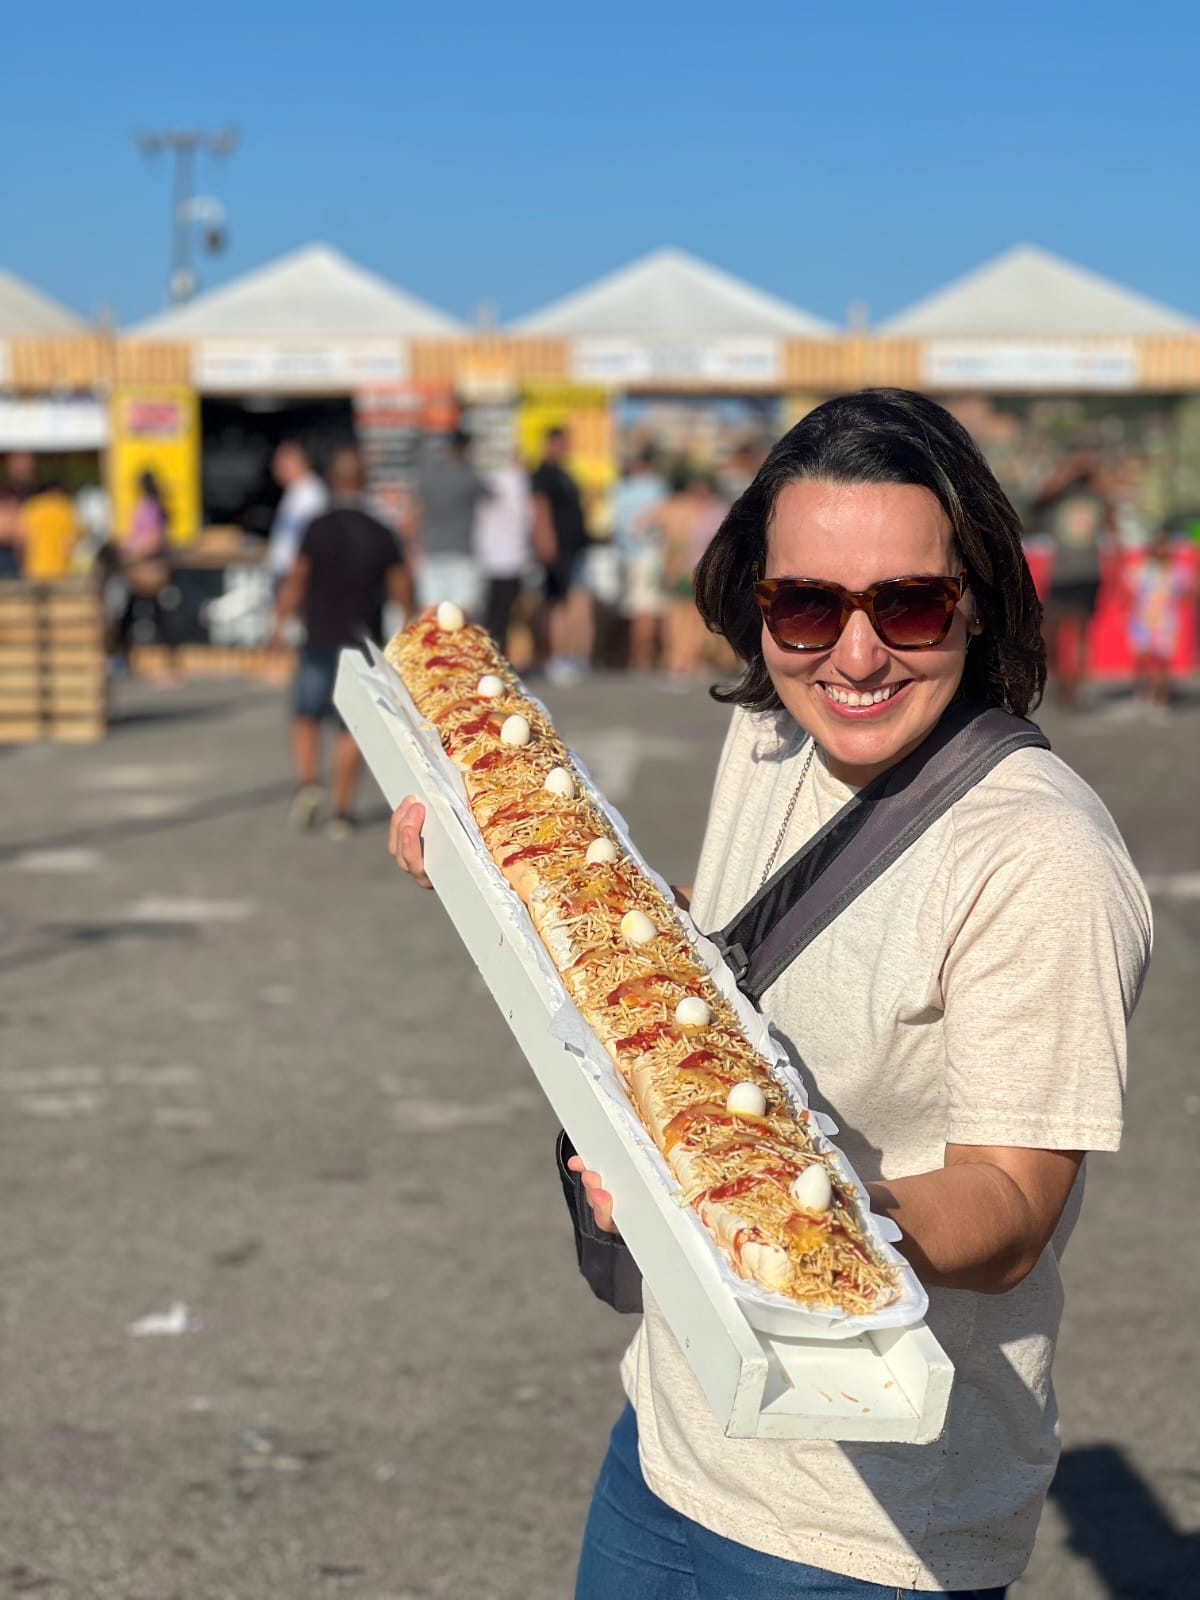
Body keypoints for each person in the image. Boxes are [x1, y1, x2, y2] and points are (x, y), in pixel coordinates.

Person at [387, 390, 1151, 1598]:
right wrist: (509, 882)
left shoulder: (1040, 856)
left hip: (872, 1531)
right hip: (674, 1437)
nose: (855, 654)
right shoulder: (771, 731)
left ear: (979, 599)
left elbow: (1011, 1208)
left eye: (909, 602)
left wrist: (765, 1210)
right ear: (757, 600)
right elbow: (722, 955)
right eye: (806, 605)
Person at [272, 446, 413, 839]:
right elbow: (402, 588)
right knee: (353, 726)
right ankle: (341, 811)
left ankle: (308, 783)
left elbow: (297, 577)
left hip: (319, 635)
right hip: (362, 642)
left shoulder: (317, 527)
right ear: (364, 482)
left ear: (333, 481)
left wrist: (279, 622)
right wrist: (406, 628)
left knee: (306, 715)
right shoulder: (381, 531)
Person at [1032, 456, 1112, 710]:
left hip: (1088, 573)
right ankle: (1062, 682)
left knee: (1080, 632)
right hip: (1061, 574)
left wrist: (1090, 470)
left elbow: (1112, 510)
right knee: (1051, 633)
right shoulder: (1058, 500)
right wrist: (1065, 471)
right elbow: (1039, 499)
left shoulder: (1096, 498)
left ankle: (1075, 688)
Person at [653, 468, 728, 682]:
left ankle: (687, 660)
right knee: (680, 618)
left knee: (694, 620)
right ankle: (679, 661)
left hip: (702, 571)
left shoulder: (715, 511)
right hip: (684, 570)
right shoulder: (684, 509)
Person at [532, 427, 593, 684]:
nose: (564, 448)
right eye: (560, 443)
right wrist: (545, 541)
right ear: (550, 443)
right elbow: (540, 508)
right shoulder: (544, 474)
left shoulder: (565, 474)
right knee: (558, 603)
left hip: (575, 547)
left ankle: (575, 656)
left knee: (576, 601)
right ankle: (559, 656)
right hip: (559, 549)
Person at [409, 429, 489, 618]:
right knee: (462, 617)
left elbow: (415, 513)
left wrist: (412, 546)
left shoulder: (428, 475)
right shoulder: (468, 477)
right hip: (461, 554)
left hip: (431, 553)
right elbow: (491, 497)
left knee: (430, 617)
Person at [611, 446, 668, 671]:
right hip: (650, 553)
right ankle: (643, 658)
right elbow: (662, 519)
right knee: (648, 608)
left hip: (626, 555)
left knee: (635, 609)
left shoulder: (620, 488)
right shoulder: (657, 487)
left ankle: (635, 656)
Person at [1126, 530, 1192, 711]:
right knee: (1143, 659)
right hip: (1143, 619)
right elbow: (1130, 592)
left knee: (1163, 661)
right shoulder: (1142, 569)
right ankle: (1142, 691)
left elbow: (1188, 593)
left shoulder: (1178, 571)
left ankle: (1162, 696)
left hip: (1166, 622)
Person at [473, 452, 532, 653]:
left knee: (494, 612)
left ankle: (496, 651)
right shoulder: (520, 482)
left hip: (491, 557)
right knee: (506, 613)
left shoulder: (490, 480)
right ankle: (499, 651)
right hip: (510, 557)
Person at [265, 441, 329, 588]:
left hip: (297, 578)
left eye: (281, 464)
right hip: (285, 574)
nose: (276, 469)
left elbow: (311, 545)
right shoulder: (295, 491)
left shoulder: (311, 494)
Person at [20, 475, 81, 583]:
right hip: (61, 570)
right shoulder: (65, 507)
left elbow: (22, 539)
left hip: (35, 569)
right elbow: (72, 540)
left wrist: (23, 565)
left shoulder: (33, 507)